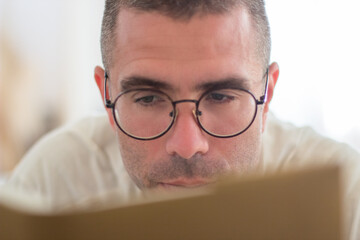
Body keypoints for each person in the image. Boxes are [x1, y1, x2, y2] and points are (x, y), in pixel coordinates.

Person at [5, 0, 360, 238]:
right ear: (107, 96)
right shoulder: (53, 186)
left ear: (266, 95)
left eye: (221, 96)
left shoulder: (345, 196)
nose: (188, 146)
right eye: (147, 98)